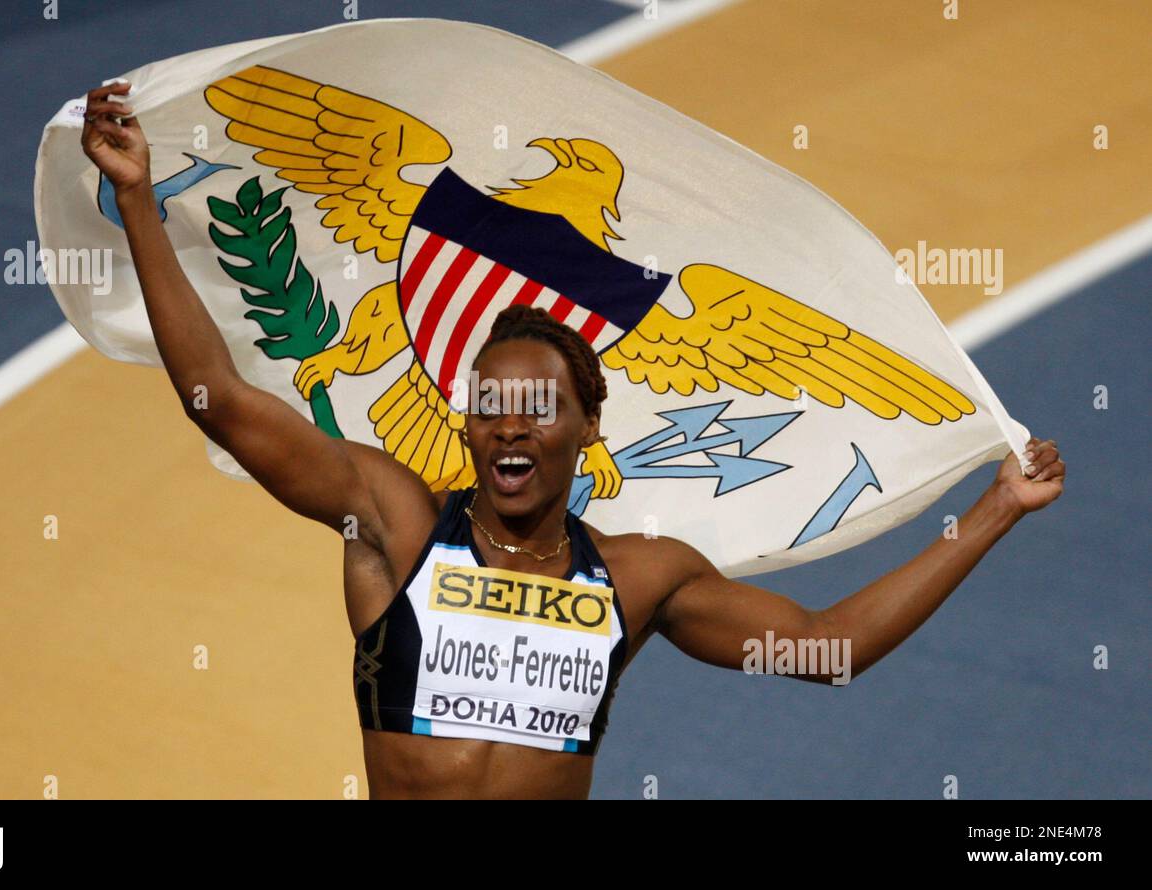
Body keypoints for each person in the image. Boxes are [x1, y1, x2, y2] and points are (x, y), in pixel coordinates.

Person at [80, 82, 1066, 799]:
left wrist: (990, 512)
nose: (511, 421)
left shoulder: (642, 579)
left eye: (538, 405)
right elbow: (220, 401)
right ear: (464, 424)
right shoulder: (390, 517)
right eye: (492, 402)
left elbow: (821, 648)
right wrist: (136, 202)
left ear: (586, 427)